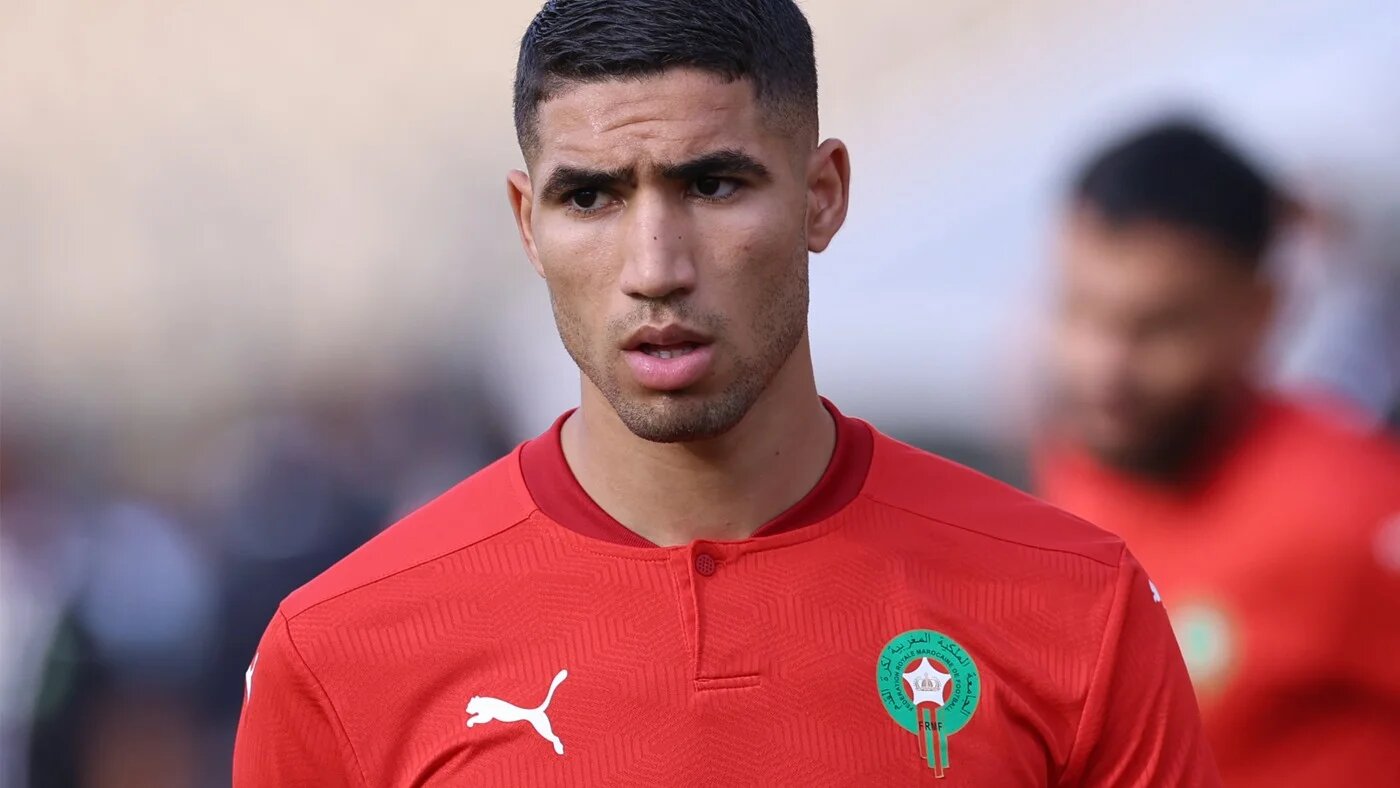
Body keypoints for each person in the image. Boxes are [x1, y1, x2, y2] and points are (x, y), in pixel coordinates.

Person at [233, 2, 1216, 784]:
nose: (654, 266)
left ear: (820, 194)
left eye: (712, 186)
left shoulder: (1074, 600)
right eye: (591, 197)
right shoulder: (340, 646)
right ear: (526, 224)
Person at [1037, 119, 1400, 787]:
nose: (1104, 368)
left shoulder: (1356, 512)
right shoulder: (1080, 472)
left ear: (1260, 312)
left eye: (1160, 328)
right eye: (1082, 312)